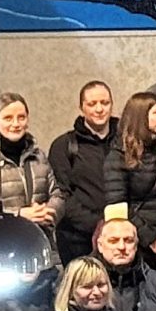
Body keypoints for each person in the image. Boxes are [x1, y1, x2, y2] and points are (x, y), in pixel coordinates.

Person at [0, 92, 62, 232]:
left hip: (40, 240)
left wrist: (46, 212)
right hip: (0, 242)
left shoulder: (38, 156)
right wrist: (18, 215)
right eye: (8, 118)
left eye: (21, 117)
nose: (16, 124)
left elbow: (57, 195)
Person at [106, 93, 156, 265]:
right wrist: (152, 241)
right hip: (138, 246)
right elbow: (118, 207)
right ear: (140, 118)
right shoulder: (119, 156)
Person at [48, 82, 118, 263]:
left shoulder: (126, 141)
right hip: (77, 240)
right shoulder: (64, 146)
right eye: (92, 104)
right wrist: (98, 225)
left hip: (121, 238)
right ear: (81, 108)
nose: (99, 109)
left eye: (105, 103)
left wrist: (117, 227)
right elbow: (62, 195)